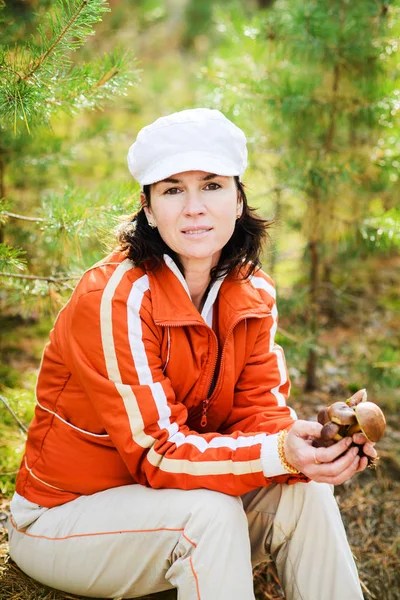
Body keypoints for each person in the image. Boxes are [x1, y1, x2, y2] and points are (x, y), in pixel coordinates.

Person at [7, 108, 376, 600]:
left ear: (239, 198)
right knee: (207, 514)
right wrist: (279, 453)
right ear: (148, 207)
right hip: (66, 518)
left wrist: (308, 452)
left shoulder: (253, 291)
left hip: (172, 502)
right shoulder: (115, 297)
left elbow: (260, 414)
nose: (194, 207)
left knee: (305, 491)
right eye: (173, 189)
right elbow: (157, 453)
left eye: (212, 185)